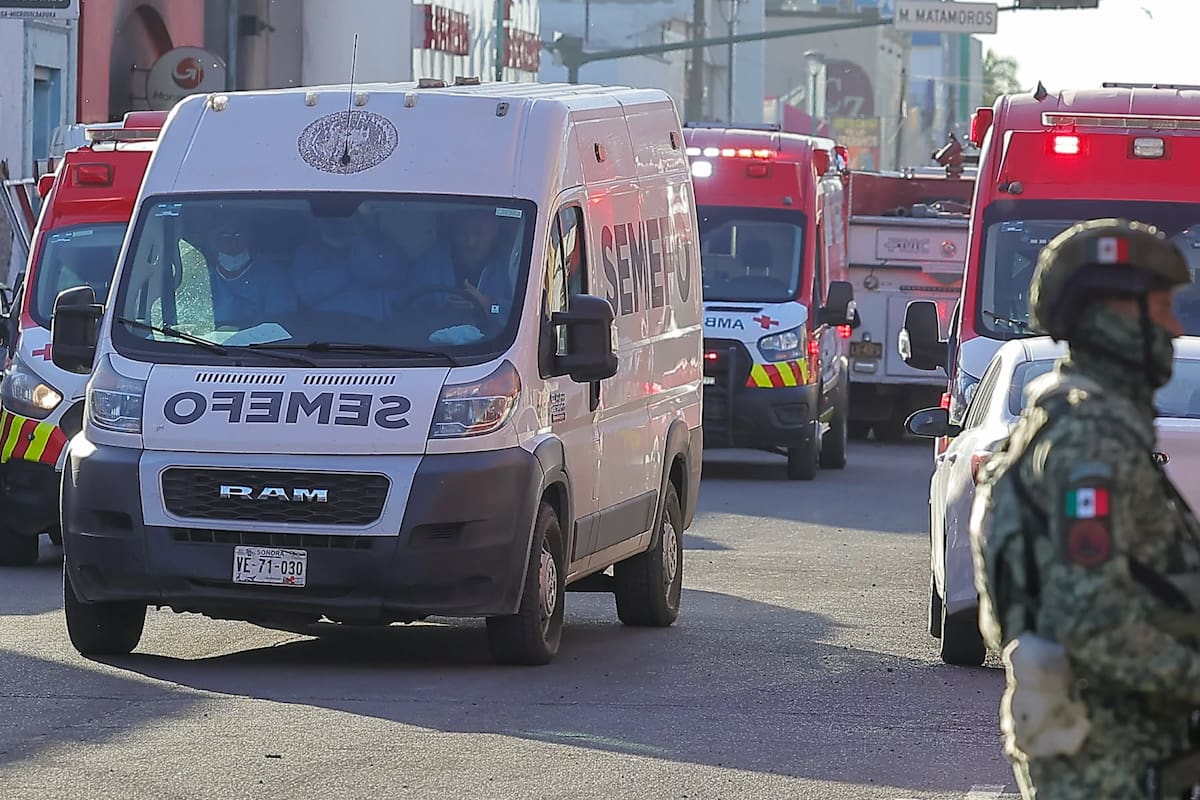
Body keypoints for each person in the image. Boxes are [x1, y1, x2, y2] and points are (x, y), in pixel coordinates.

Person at [970, 219, 1200, 799]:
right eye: (1160, 308)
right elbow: (1091, 620)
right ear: (1111, 318)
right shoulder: (1087, 442)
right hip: (1107, 754)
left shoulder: (1092, 424)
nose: (1175, 327)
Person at [289, 213, 393, 321]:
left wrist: (361, 240)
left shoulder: (377, 246)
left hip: (373, 326)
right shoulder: (308, 252)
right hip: (326, 324)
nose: (339, 221)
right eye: (330, 216)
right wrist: (347, 263)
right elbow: (308, 293)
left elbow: (385, 275)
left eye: (347, 217)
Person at [206, 213, 297, 329]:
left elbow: (281, 323)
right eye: (224, 236)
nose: (233, 243)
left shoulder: (273, 276)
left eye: (238, 235)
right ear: (212, 241)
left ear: (249, 237)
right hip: (204, 345)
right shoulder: (203, 277)